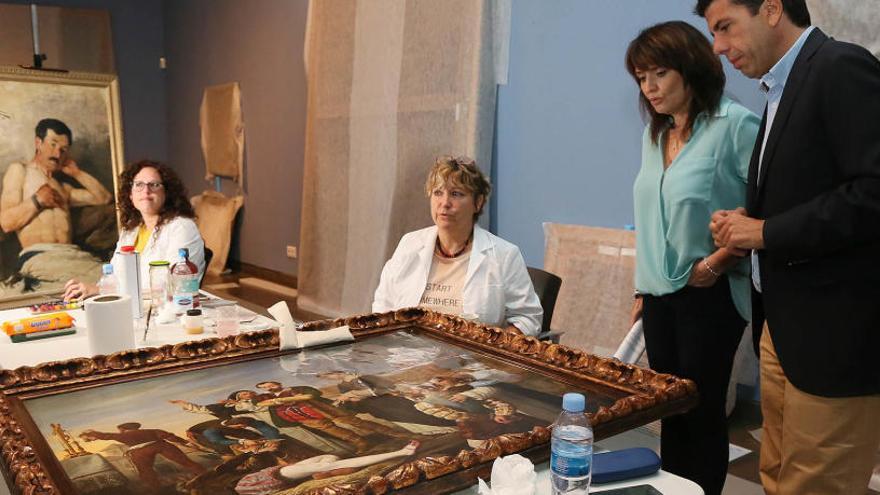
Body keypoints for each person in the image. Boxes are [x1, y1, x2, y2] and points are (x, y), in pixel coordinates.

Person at [696, 0, 880, 493]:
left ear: (772, 9)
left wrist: (766, 232)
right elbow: (812, 191)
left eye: (725, 27)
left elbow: (873, 192)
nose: (718, 47)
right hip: (784, 327)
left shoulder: (840, 67)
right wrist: (748, 222)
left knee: (817, 485)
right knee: (777, 476)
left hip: (835, 337)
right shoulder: (781, 88)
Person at [626, 21, 760, 495]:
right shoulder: (655, 134)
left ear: (690, 68)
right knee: (671, 412)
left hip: (710, 293)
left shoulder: (735, 124)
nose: (650, 87)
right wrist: (644, 285)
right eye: (642, 77)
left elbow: (764, 211)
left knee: (702, 414)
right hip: (660, 295)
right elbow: (651, 215)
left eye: (659, 73)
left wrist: (717, 261)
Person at [372, 156, 542, 336]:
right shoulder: (409, 244)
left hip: (471, 360)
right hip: (407, 357)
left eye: (456, 194)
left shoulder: (504, 255)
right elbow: (383, 306)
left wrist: (497, 345)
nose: (444, 203)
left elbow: (528, 318)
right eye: (438, 192)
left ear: (478, 202)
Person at [63, 160, 205, 300]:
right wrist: (88, 290)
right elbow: (113, 278)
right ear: (130, 195)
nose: (146, 190)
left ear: (166, 192)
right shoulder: (131, 231)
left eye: (154, 185)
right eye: (139, 185)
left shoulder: (182, 227)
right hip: (131, 309)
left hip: (168, 313)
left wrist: (99, 291)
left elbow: (173, 288)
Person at [0, 118, 113, 249]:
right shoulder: (20, 171)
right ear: (38, 143)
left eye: (63, 149)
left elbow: (104, 198)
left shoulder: (62, 187)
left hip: (70, 254)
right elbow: (6, 223)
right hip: (40, 256)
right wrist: (37, 200)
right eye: (53, 144)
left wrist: (77, 173)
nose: (58, 154)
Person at [80, 422, 207, 490]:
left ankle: (156, 490)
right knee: (186, 462)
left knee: (145, 472)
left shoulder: (123, 435)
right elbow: (170, 436)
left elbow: (106, 435)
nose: (120, 431)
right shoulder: (152, 431)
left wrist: (90, 434)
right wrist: (185, 443)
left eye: (120, 429)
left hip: (139, 453)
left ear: (123, 429)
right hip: (160, 445)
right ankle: (206, 475)